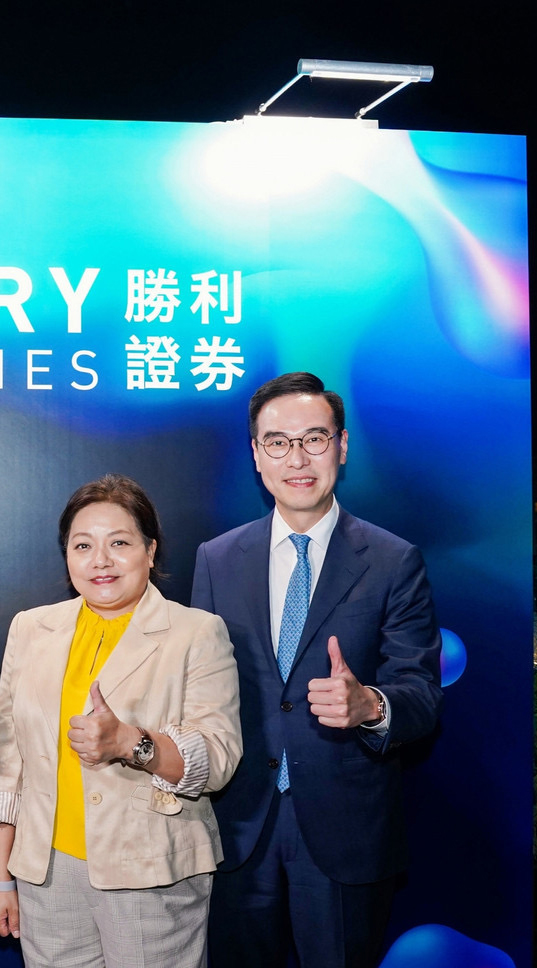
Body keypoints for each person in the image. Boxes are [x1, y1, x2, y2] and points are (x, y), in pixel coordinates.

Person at [192, 371, 443, 968]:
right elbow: (195, 689)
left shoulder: (392, 560)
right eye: (277, 442)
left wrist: (371, 707)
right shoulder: (217, 559)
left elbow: (422, 694)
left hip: (346, 834)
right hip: (237, 827)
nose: (296, 458)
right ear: (257, 455)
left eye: (315, 438)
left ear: (343, 445)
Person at [0, 474, 241, 968]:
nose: (100, 560)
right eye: (83, 545)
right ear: (67, 555)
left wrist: (130, 742)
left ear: (150, 550)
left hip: (151, 877)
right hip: (46, 877)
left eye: (119, 543)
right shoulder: (31, 629)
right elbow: (5, 762)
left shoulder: (196, 633)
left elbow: (218, 758)